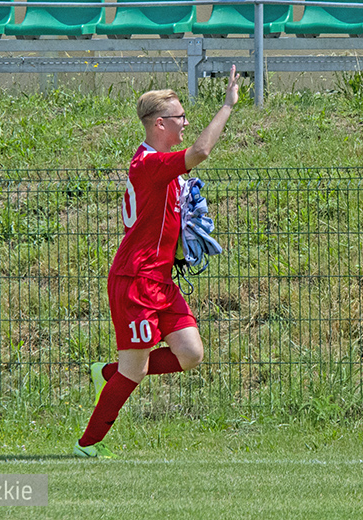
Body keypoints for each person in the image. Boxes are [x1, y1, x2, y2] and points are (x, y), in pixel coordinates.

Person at [74, 65, 240, 458]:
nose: (186, 123)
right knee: (136, 369)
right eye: (181, 117)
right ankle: (88, 445)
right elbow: (201, 151)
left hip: (159, 280)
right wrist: (228, 106)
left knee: (191, 354)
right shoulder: (148, 164)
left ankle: (110, 375)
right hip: (134, 280)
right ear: (160, 123)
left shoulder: (161, 165)